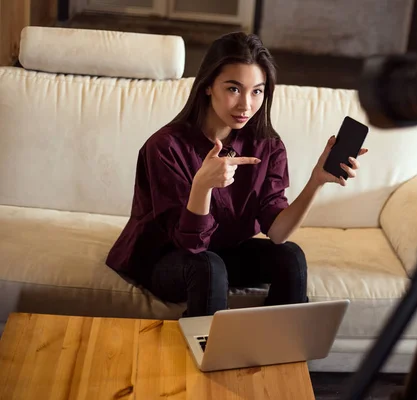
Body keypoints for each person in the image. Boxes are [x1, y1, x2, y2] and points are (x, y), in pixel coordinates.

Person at [106, 32, 367, 317]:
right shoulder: (165, 147)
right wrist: (202, 186)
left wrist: (316, 181)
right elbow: (190, 245)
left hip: (224, 253)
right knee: (207, 266)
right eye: (233, 89)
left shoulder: (267, 146)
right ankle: (204, 355)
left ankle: (281, 353)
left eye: (257, 91)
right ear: (208, 86)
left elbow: (278, 234)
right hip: (168, 259)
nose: (246, 105)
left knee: (290, 256)